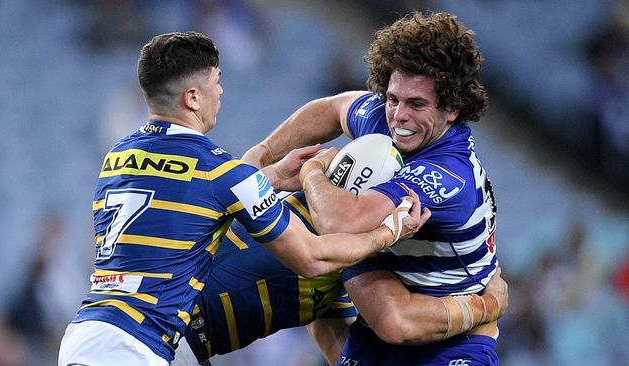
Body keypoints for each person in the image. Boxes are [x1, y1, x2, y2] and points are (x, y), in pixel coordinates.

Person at [57, 31, 425, 366]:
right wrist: (387, 232)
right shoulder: (220, 170)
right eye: (217, 82)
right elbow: (311, 258)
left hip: (86, 331)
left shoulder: (119, 156)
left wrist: (270, 177)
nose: (221, 92)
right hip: (135, 345)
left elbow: (184, 202)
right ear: (192, 97)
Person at [243, 11, 502, 365]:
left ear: (453, 108)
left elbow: (338, 222)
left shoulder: (447, 173)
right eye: (394, 98)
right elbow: (333, 108)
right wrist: (262, 154)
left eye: (417, 104)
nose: (399, 115)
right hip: (378, 329)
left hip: (452, 339)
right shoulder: (386, 116)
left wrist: (313, 171)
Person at [171, 192, 507, 366]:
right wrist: (488, 305)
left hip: (182, 341)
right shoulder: (314, 233)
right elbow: (314, 259)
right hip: (166, 336)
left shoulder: (348, 264)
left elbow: (335, 337)